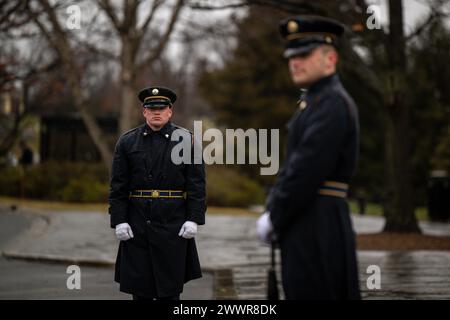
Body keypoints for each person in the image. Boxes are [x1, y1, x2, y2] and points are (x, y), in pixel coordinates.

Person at [256, 15, 361, 300]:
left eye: (304, 54)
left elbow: (305, 168)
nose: (294, 61)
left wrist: (275, 214)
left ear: (330, 59)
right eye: (291, 55)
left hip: (319, 224)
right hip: (310, 219)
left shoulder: (331, 103)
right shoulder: (313, 102)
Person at [109, 86, 206, 300]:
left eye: (161, 108)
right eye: (151, 108)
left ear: (170, 111)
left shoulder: (186, 140)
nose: (156, 112)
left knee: (170, 291)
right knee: (140, 290)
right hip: (137, 225)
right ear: (144, 112)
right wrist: (119, 220)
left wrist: (194, 219)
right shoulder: (127, 142)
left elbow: (197, 185)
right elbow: (118, 186)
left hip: (173, 225)